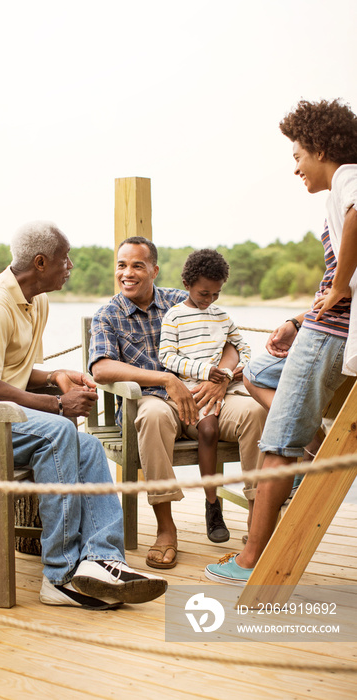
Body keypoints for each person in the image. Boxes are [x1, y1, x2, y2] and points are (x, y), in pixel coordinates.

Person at [0, 220, 167, 610]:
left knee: (86, 446)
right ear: (39, 262)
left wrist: (54, 375)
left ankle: (104, 561)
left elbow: (10, 373)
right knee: (58, 433)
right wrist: (56, 405)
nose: (70, 265)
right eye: (63, 258)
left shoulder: (37, 301)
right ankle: (61, 575)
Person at [205, 98, 357, 586]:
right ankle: (312, 439)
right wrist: (297, 317)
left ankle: (249, 562)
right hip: (318, 330)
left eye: (297, 156)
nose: (296, 168)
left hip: (327, 335)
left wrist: (333, 292)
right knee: (256, 372)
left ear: (319, 148)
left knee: (275, 446)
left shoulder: (347, 179)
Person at [88, 236, 266, 568]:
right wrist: (166, 379)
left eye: (137, 265)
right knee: (151, 417)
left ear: (154, 270)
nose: (127, 273)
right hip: (159, 401)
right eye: (121, 265)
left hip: (206, 396)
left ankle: (256, 521)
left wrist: (223, 375)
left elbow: (227, 341)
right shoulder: (108, 315)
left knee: (256, 411)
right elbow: (101, 368)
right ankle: (166, 529)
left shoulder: (179, 300)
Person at [159, 248, 259, 544]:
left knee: (258, 411)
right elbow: (168, 358)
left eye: (216, 294)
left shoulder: (222, 316)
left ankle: (258, 503)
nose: (209, 300)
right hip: (193, 391)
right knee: (209, 428)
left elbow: (246, 349)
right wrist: (206, 370)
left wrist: (228, 373)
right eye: (204, 294)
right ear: (188, 284)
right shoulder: (175, 316)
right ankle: (212, 503)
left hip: (225, 388)